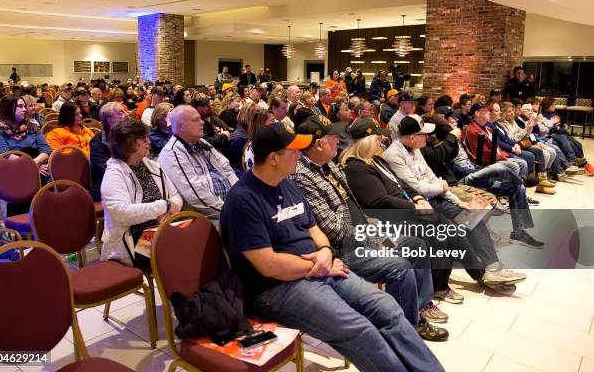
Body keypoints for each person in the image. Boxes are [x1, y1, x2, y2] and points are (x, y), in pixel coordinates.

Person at [221, 122, 445, 372]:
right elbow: (268, 265)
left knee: (387, 308)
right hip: (277, 288)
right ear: (273, 158)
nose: (299, 154)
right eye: (293, 151)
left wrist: (326, 253)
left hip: (321, 267)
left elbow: (314, 228)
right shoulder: (242, 200)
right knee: (359, 329)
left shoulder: (286, 183)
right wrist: (318, 265)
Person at [294, 115, 448, 341]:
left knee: (416, 245)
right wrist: (372, 240)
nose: (339, 140)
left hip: (366, 235)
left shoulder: (328, 165)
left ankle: (417, 308)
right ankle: (404, 329)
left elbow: (355, 209)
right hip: (345, 249)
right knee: (402, 265)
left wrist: (375, 234)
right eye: (333, 137)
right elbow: (334, 229)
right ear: (318, 144)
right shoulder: (302, 176)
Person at [383, 115, 528, 292]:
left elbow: (430, 177)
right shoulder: (393, 155)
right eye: (423, 134)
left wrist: (458, 201)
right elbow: (419, 188)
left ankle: (493, 268)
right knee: (456, 230)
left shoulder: (415, 148)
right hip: (419, 205)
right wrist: (440, 186)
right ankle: (482, 274)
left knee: (472, 215)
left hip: (436, 197)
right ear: (412, 137)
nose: (427, 137)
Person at [100, 118, 182, 268]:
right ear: (129, 143)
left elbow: (176, 195)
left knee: (199, 235)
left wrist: (170, 210)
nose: (149, 142)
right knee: (183, 250)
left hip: (162, 228)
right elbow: (123, 214)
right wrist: (165, 206)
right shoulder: (114, 174)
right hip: (136, 240)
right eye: (144, 138)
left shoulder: (152, 166)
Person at [158, 105, 238, 222]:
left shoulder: (201, 142)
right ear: (181, 126)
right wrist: (230, 212)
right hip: (205, 217)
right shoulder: (171, 153)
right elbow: (195, 196)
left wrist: (240, 198)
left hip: (230, 205)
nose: (202, 123)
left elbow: (226, 168)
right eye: (196, 120)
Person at [0, 96, 51, 175]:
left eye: (24, 106)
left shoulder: (32, 127)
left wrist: (36, 162)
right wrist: (33, 166)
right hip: (9, 174)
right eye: (20, 106)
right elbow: (5, 157)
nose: (25, 109)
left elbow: (46, 150)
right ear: (8, 109)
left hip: (38, 167)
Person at [90, 102, 128, 202]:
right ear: (110, 120)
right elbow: (105, 168)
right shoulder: (97, 142)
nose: (127, 114)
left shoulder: (130, 137)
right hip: (110, 185)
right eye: (121, 113)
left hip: (131, 181)